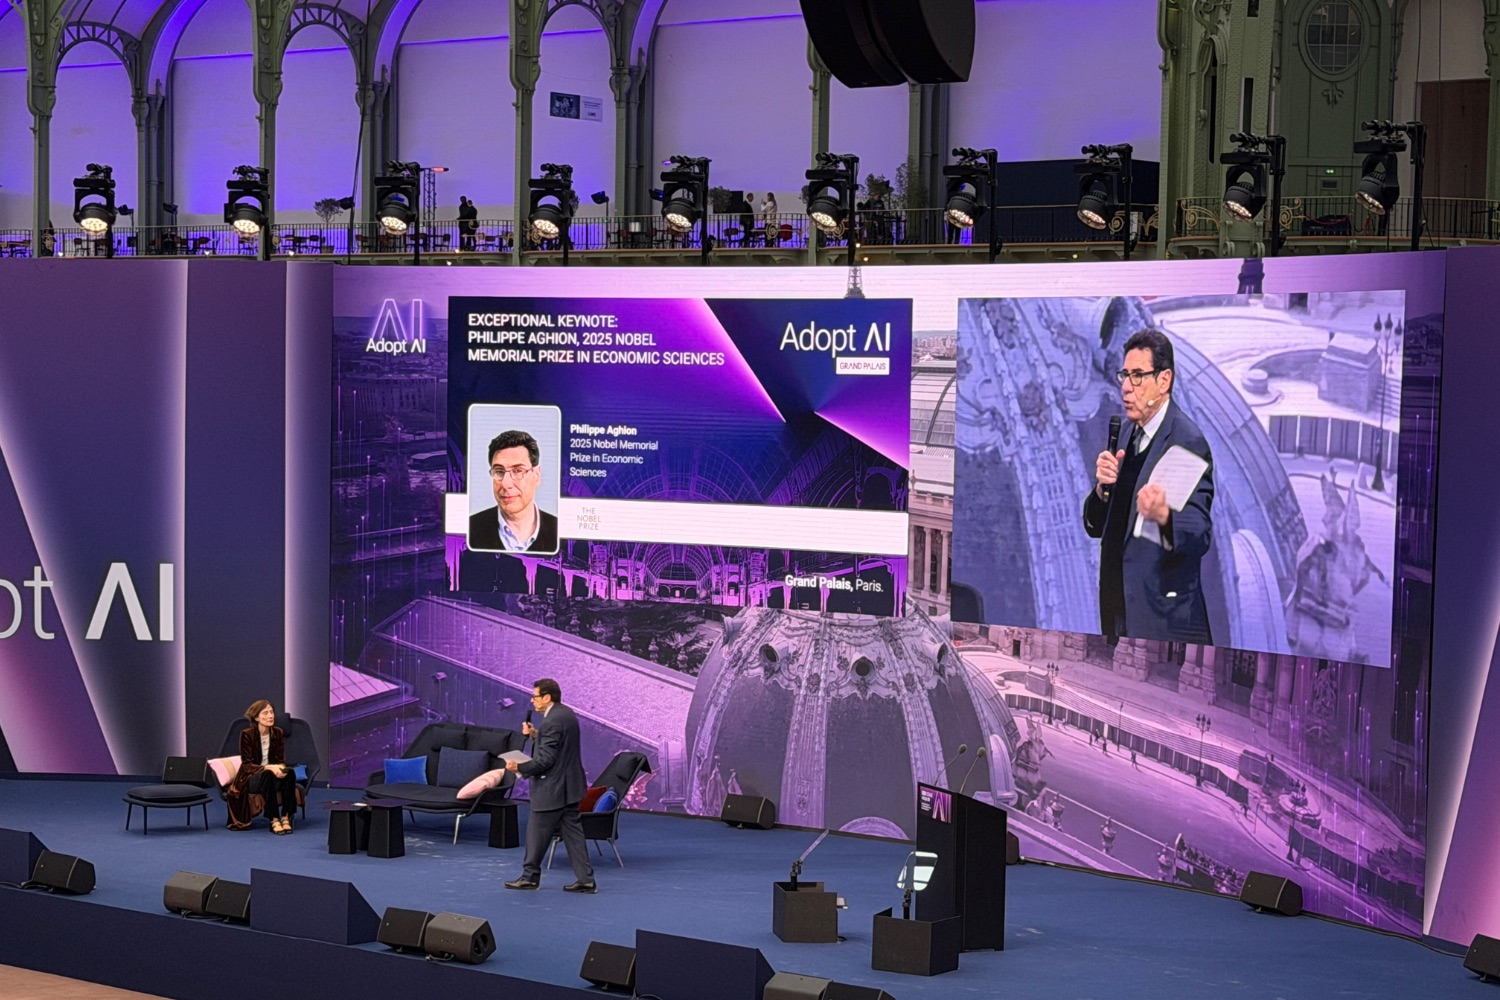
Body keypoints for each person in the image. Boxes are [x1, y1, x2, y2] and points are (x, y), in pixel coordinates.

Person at [1083, 328, 1215, 645]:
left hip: (1160, 621)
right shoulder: (1127, 434)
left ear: (1164, 380)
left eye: (1138, 376)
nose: (1127, 388)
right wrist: (1102, 490)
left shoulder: (1185, 440)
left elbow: (1199, 533)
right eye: (1125, 375)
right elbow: (1097, 526)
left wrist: (1164, 515)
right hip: (1116, 607)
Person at [504, 678, 597, 893]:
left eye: (535, 696)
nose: (532, 700)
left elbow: (546, 761)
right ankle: (585, 879)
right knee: (573, 835)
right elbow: (558, 746)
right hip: (569, 788)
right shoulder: (566, 714)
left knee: (535, 833)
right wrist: (537, 736)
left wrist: (518, 767)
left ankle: (529, 877)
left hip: (552, 790)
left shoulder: (551, 722)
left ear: (547, 697)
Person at [469, 429, 558, 553]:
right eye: (499, 472)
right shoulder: (470, 528)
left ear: (536, 475)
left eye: (517, 471)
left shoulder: (560, 530)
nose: (506, 484)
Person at [226, 700, 298, 833]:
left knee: (290, 773)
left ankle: (286, 816)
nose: (270, 716)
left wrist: (280, 768)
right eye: (265, 713)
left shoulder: (278, 733)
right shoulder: (247, 735)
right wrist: (269, 768)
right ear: (256, 718)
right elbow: (247, 766)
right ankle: (274, 818)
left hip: (271, 773)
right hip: (250, 777)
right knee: (268, 774)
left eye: (271, 712)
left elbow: (281, 759)